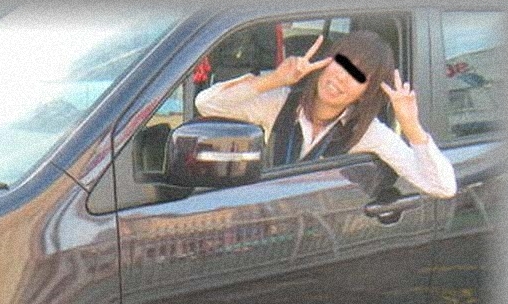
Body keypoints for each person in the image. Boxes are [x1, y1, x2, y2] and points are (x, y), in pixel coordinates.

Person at [195, 30, 456, 198]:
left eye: (357, 75)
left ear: (365, 93)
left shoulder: (367, 132)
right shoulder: (282, 102)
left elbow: (442, 187)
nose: (341, 77)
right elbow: (208, 104)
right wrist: (274, 79)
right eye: (341, 63)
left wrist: (412, 127)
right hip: (264, 214)